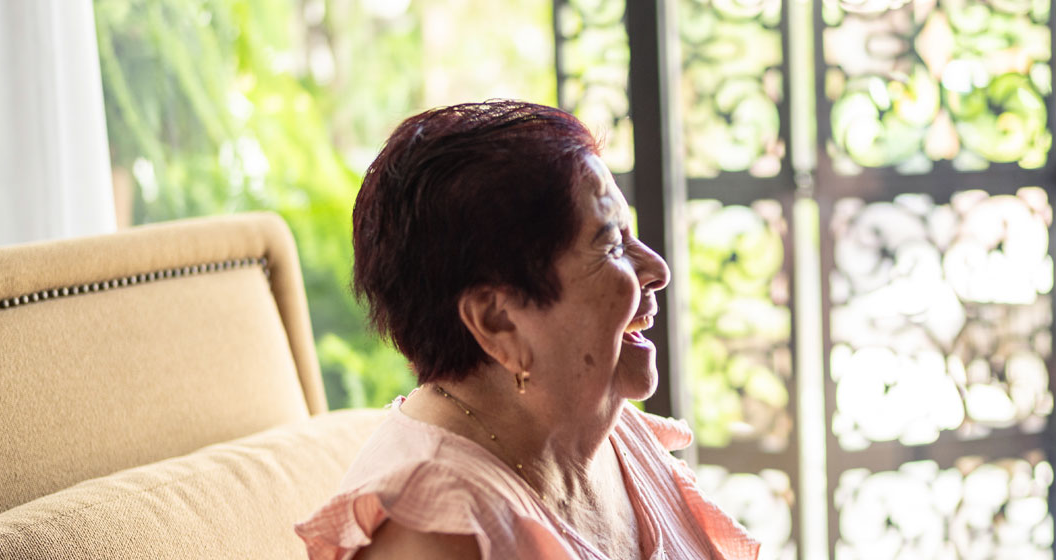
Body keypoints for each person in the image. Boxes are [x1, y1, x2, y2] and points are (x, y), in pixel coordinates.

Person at [295, 100, 758, 560]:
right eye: (612, 245)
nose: (657, 268)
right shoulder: (435, 537)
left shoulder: (598, 428)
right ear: (498, 321)